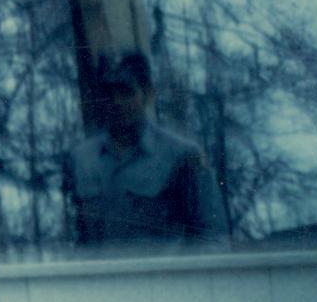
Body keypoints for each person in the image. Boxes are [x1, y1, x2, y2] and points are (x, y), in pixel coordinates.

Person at [69, 50, 224, 246]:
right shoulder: (82, 160)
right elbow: (79, 241)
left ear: (148, 93)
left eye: (126, 92)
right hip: (102, 276)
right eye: (109, 93)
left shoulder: (181, 155)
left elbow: (212, 239)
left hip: (163, 275)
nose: (116, 102)